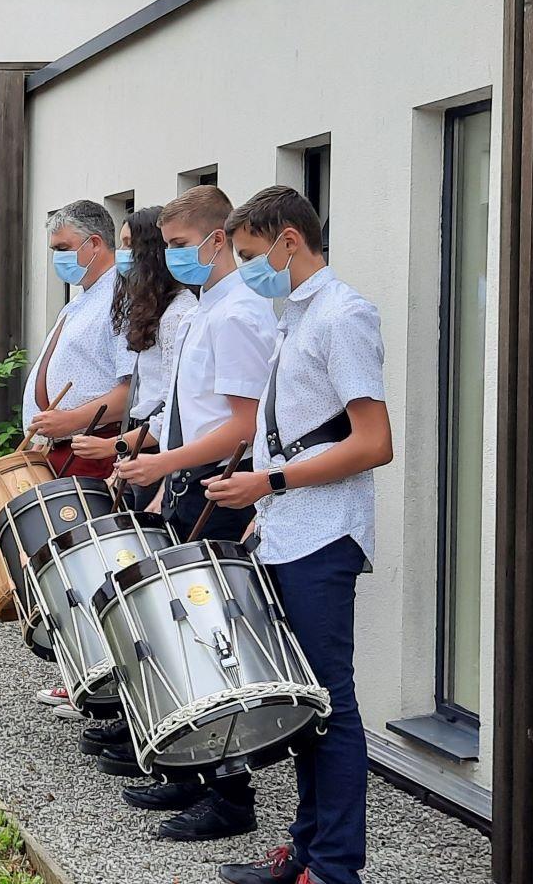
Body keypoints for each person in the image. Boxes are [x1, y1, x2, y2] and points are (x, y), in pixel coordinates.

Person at [205, 186, 392, 884]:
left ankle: (335, 868)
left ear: (289, 239)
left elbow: (374, 442)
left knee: (332, 706)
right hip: (288, 530)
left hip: (323, 535)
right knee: (304, 704)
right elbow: (295, 431)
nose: (249, 270)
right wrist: (264, 503)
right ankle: (307, 851)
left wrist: (271, 486)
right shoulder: (295, 316)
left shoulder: (343, 315)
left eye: (252, 255)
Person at [93, 186, 278, 842]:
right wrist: (158, 463)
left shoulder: (236, 315)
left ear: (216, 240)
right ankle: (193, 769)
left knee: (211, 642)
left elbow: (243, 428)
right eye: (166, 248)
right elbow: (188, 408)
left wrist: (166, 466)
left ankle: (231, 795)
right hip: (188, 480)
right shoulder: (207, 308)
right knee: (181, 636)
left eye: (179, 246)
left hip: (217, 487)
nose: (171, 260)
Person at [71, 206, 198, 506]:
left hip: (156, 449)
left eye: (129, 245)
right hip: (139, 443)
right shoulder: (155, 309)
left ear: (150, 252)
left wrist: (112, 445)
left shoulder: (179, 313)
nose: (122, 255)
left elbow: (172, 407)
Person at [23, 200, 129, 479]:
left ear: (94, 244)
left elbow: (134, 388)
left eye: (63, 249)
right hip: (57, 448)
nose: (57, 258)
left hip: (92, 449)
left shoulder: (123, 297)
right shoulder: (81, 299)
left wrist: (70, 420)